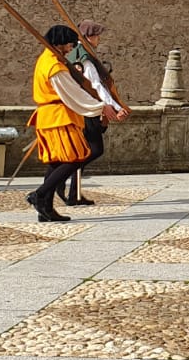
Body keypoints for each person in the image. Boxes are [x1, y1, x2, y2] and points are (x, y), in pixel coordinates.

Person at [26, 24, 105, 223]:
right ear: (60, 43)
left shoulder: (47, 60)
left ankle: (46, 208)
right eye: (69, 43)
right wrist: (100, 107)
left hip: (51, 116)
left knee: (56, 162)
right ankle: (40, 194)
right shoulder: (54, 65)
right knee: (76, 157)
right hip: (58, 117)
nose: (71, 48)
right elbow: (72, 93)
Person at [60, 21, 129, 207]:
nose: (98, 39)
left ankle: (74, 193)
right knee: (93, 149)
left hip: (77, 108)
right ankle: (59, 179)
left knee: (84, 151)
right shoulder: (85, 58)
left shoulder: (74, 53)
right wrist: (113, 107)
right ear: (88, 36)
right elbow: (96, 86)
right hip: (88, 109)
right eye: (96, 35)